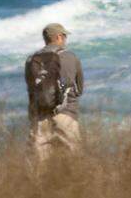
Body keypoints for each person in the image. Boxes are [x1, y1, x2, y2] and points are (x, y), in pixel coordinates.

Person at [25, 22, 84, 164]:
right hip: (65, 114)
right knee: (73, 160)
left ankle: (38, 186)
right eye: (64, 36)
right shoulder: (70, 57)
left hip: (39, 116)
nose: (65, 40)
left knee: (38, 164)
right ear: (58, 37)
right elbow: (79, 89)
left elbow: (30, 87)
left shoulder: (31, 60)